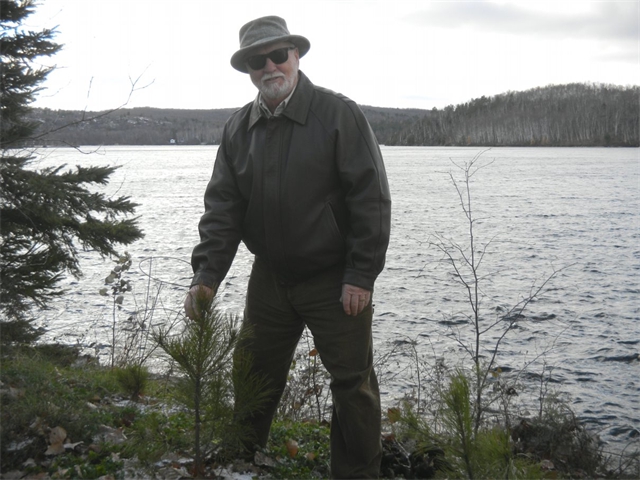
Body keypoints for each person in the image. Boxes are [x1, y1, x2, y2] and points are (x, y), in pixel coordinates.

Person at [184, 15, 391, 479]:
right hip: (271, 279)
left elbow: (370, 197)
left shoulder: (338, 115)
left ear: (296, 56)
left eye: (278, 55)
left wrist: (360, 274)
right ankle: (242, 461)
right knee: (252, 372)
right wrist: (206, 277)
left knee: (353, 385)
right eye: (258, 60)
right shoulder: (239, 129)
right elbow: (223, 209)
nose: (270, 66)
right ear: (249, 70)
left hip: (334, 279)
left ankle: (357, 474)